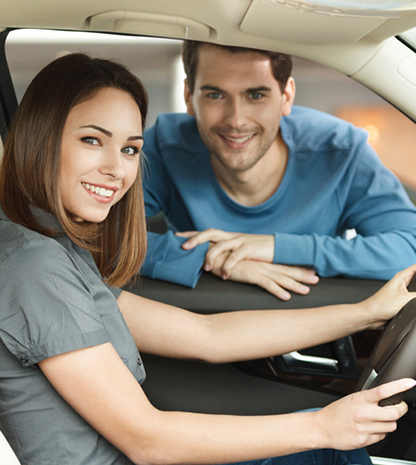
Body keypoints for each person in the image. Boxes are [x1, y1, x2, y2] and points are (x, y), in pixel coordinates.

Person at [0, 52, 416, 465]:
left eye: (130, 149)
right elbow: (148, 441)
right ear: (42, 136)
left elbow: (206, 336)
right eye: (92, 140)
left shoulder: (60, 250)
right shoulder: (34, 266)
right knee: (326, 448)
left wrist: (366, 313)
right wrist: (324, 427)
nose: (116, 169)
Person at [142, 41, 416, 300]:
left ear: (286, 96)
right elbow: (103, 240)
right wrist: (207, 257)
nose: (236, 120)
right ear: (189, 96)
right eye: (215, 95)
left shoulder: (342, 150)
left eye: (256, 95)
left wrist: (274, 247)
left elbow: (409, 248)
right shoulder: (164, 146)